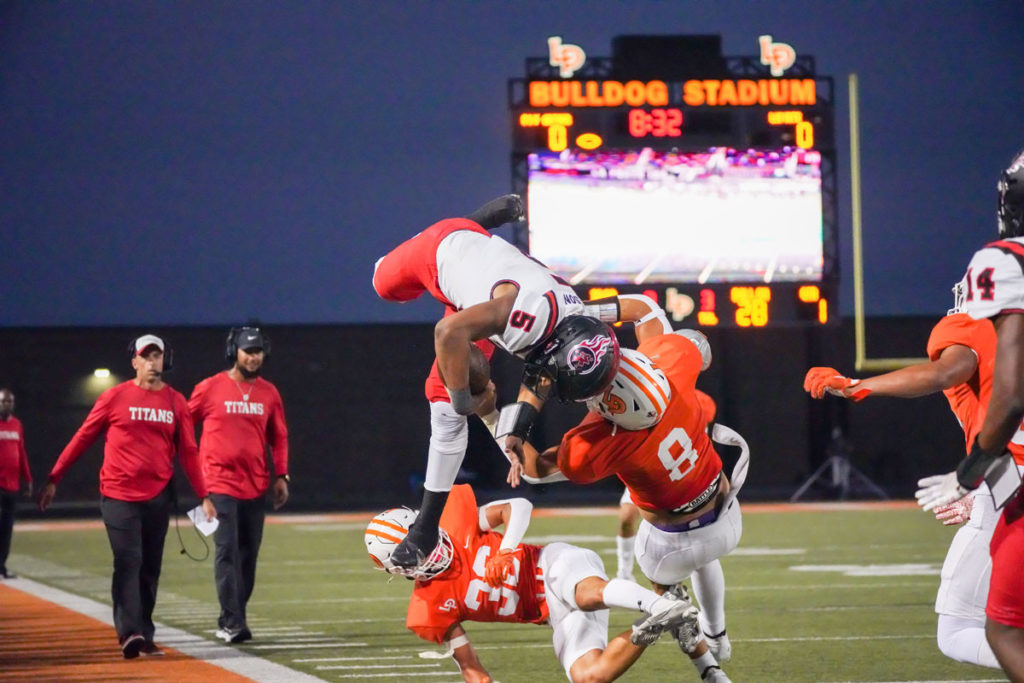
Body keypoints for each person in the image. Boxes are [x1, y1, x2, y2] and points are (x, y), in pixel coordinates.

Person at [372, 193, 662, 570]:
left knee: (445, 412)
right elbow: (447, 333)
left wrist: (515, 429)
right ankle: (473, 222)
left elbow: (546, 369)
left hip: (489, 296)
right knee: (383, 283)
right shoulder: (515, 319)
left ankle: (425, 528)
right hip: (440, 251)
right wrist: (463, 400)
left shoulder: (581, 317)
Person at [512, 310, 748, 683]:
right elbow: (684, 336)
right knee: (705, 558)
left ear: (613, 408)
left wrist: (501, 418)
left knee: (668, 601)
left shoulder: (605, 440)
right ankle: (717, 631)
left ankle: (710, 669)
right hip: (727, 513)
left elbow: (532, 469)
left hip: (671, 546)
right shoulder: (670, 369)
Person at [804, 300, 1022, 669]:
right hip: (1006, 481)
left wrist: (858, 386)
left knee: (958, 632)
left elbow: (946, 372)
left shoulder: (973, 323)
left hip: (1009, 485)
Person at [364, 483, 699, 683]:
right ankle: (656, 621)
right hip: (552, 613)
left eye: (417, 540)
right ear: (400, 571)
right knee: (589, 676)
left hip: (555, 564)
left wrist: (506, 550)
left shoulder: (456, 516)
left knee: (585, 595)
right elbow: (471, 667)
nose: (423, 553)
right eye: (412, 556)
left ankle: (662, 603)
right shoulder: (428, 608)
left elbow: (519, 505)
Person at [37, 334, 216, 660]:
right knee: (128, 560)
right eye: (145, 357)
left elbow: (189, 452)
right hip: (118, 495)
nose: (152, 362)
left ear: (165, 360)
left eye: (157, 356)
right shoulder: (113, 397)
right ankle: (129, 632)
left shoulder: (176, 402)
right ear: (134, 361)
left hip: (158, 497)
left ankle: (145, 634)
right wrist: (54, 477)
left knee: (150, 568)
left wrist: (204, 495)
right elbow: (82, 438)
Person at [916, 148, 1024, 679]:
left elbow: (1009, 398)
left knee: (972, 630)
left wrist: (975, 479)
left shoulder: (1003, 266)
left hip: (1013, 477)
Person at [189, 326, 289, 644]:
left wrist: (282, 475)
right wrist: (195, 478)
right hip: (218, 482)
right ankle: (233, 621)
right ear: (234, 351)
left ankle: (233, 617)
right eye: (247, 351)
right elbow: (182, 428)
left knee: (248, 555)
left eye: (258, 351)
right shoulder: (209, 388)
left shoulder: (269, 393)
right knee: (226, 550)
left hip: (256, 484)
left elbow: (280, 438)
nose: (253, 356)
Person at [615, 390, 717, 582]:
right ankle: (624, 572)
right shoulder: (648, 394)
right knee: (627, 517)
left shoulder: (701, 401)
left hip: (678, 476)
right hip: (649, 470)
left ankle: (671, 583)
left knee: (669, 534)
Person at [0, 388, 32, 579]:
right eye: (4, 401)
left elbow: (21, 454)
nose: (7, 404)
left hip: (12, 486)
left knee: (7, 530)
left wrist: (27, 479)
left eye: (9, 401)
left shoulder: (17, 425)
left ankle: (2, 565)